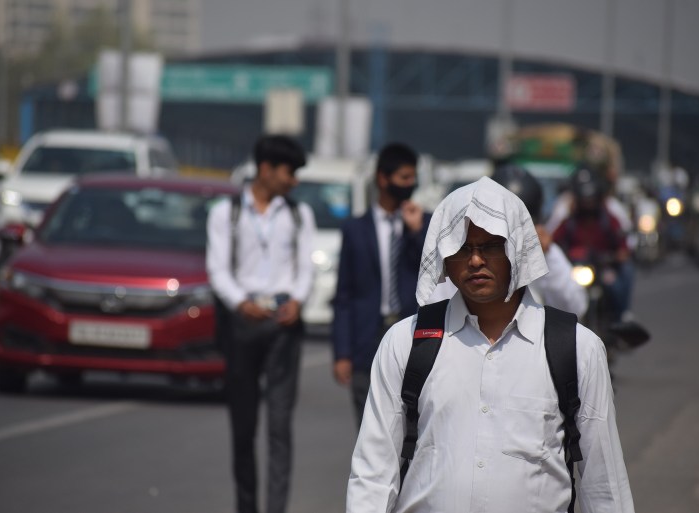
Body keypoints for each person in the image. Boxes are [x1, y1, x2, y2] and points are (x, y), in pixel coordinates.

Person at [347, 176, 634, 513]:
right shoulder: (405, 344)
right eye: (462, 248)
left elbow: (603, 486)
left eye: (491, 246)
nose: (476, 261)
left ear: (518, 249)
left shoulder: (577, 349)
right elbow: (374, 474)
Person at [207, 134, 316, 513]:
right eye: (290, 172)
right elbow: (217, 270)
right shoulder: (226, 213)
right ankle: (247, 506)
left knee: (280, 427)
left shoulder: (299, 214)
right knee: (243, 427)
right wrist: (240, 302)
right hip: (243, 324)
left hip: (284, 324)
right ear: (266, 170)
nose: (294, 181)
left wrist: (299, 300)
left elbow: (306, 269)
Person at [331, 142, 432, 427]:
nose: (409, 185)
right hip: (368, 337)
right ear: (382, 179)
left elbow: (437, 275)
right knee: (369, 428)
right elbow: (344, 295)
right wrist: (342, 353)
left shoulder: (425, 223)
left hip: (413, 333)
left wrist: (415, 233)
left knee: (413, 427)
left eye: (413, 178)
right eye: (403, 178)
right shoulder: (355, 229)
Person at [429, 164, 589, 318]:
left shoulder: (541, 250)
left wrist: (547, 255)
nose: (477, 262)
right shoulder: (461, 252)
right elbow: (435, 308)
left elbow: (574, 306)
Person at [553, 166, 632, 323]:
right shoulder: (569, 220)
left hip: (603, 268)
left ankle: (622, 317)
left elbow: (622, 242)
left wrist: (620, 254)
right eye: (584, 200)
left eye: (591, 199)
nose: (588, 203)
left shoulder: (608, 217)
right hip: (576, 268)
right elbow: (553, 240)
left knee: (617, 283)